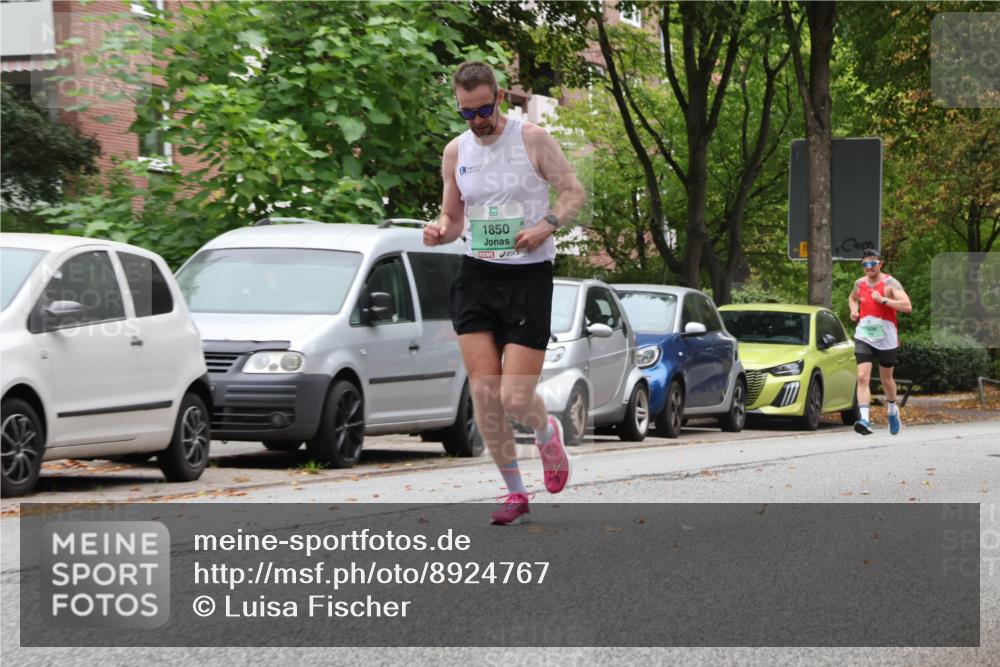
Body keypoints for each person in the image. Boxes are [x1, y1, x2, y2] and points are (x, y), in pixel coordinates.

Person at [423, 61, 586, 525]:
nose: (478, 120)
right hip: (476, 275)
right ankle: (515, 491)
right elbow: (453, 220)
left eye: (485, 109)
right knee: (485, 391)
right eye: (467, 113)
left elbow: (573, 192)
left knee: (516, 397)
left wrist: (545, 226)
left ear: (499, 95)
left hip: (528, 277)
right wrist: (439, 231)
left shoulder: (531, 139)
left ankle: (545, 429)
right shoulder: (456, 152)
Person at [848, 248, 912, 435]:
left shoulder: (890, 283)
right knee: (862, 376)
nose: (869, 267)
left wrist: (884, 300)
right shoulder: (859, 283)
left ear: (880, 264)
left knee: (886, 379)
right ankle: (865, 419)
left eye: (873, 263)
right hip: (864, 335)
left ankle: (892, 410)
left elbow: (907, 306)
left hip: (886, 337)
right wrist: (853, 310)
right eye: (865, 264)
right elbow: (852, 298)